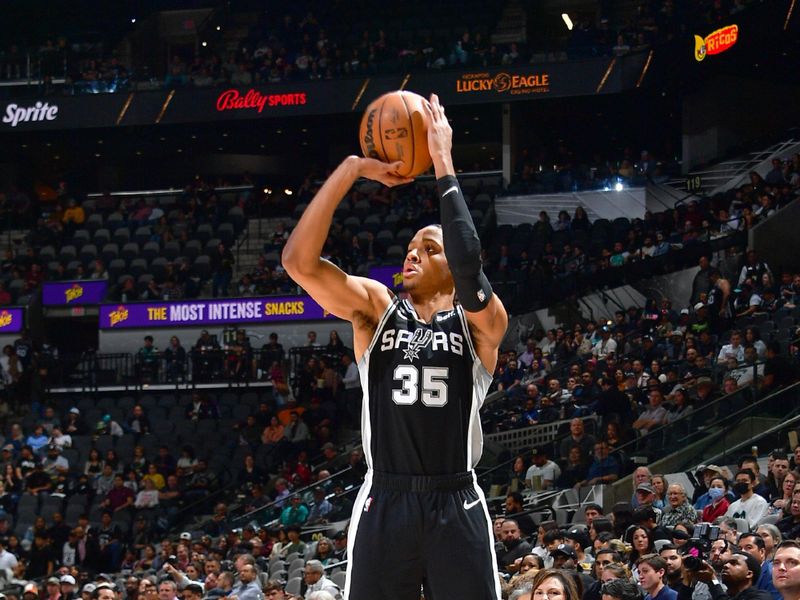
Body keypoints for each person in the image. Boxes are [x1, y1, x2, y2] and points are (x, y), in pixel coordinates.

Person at [282, 94, 507, 600]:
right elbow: (298, 263)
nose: (413, 254)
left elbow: (470, 264)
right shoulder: (378, 309)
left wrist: (442, 159)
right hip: (385, 497)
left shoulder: (481, 325)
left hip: (457, 498)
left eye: (430, 248)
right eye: (410, 248)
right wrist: (352, 169)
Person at [682, 552, 771, 600]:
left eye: (733, 563)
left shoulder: (761, 596)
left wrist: (712, 580)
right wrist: (687, 581)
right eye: (726, 563)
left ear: (749, 574)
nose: (726, 565)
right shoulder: (722, 595)